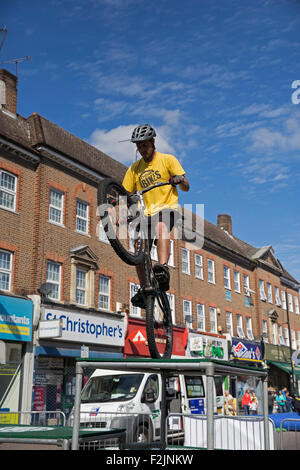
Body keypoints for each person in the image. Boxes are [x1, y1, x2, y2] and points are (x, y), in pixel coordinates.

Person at [122, 124, 189, 308]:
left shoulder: (168, 160)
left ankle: (162, 269)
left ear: (153, 142)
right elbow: (126, 193)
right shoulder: (134, 169)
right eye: (139, 146)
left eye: (145, 145)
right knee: (139, 250)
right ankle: (145, 288)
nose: (142, 150)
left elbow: (186, 186)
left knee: (161, 227)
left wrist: (180, 180)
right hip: (146, 214)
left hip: (167, 208)